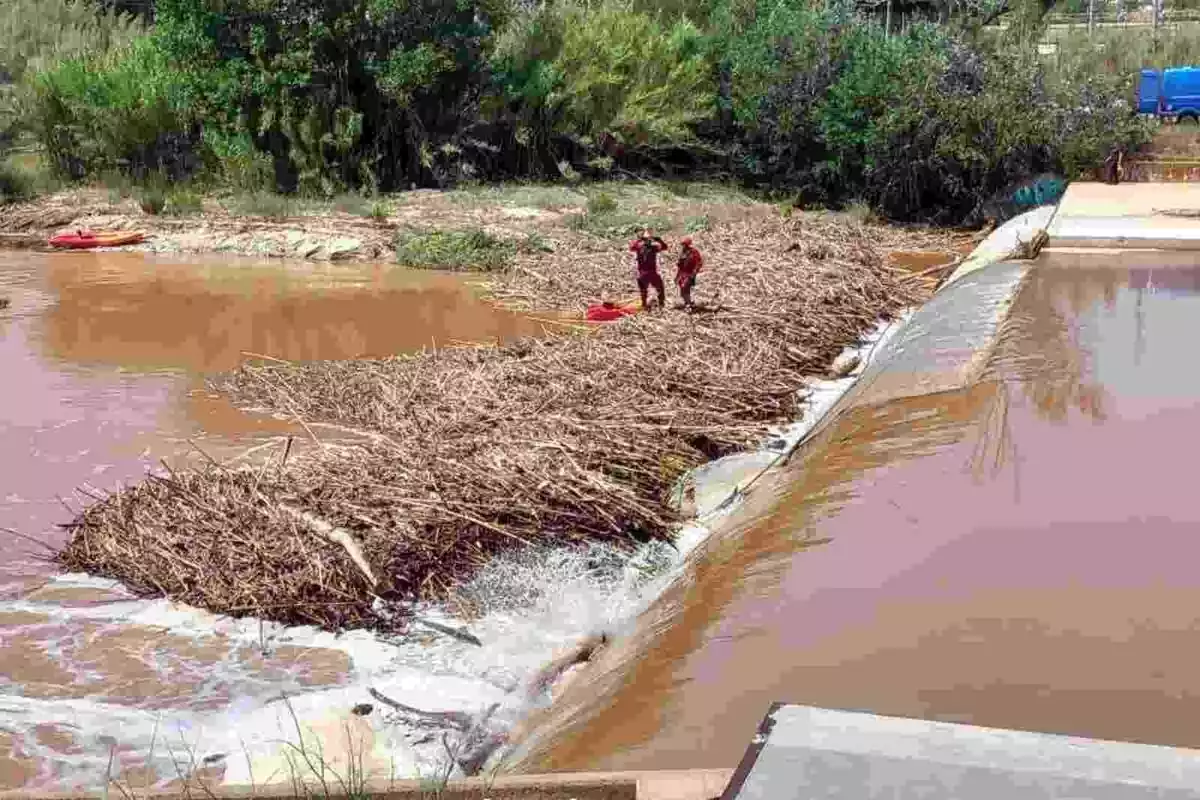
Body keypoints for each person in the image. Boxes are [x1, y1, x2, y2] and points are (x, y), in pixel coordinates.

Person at [629, 230, 668, 310]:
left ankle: (644, 305)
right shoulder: (653, 248)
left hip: (642, 273)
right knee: (660, 287)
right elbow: (664, 247)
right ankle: (661, 304)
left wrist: (639, 240)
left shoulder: (639, 247)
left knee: (643, 291)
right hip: (651, 273)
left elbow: (632, 247)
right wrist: (659, 240)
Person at [675, 236, 703, 311]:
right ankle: (688, 302)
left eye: (684, 244)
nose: (683, 246)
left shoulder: (694, 252)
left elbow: (699, 263)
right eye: (682, 244)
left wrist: (694, 272)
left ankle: (688, 305)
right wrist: (677, 276)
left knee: (685, 287)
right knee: (682, 291)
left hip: (689, 273)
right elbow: (680, 266)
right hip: (682, 274)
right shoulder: (682, 252)